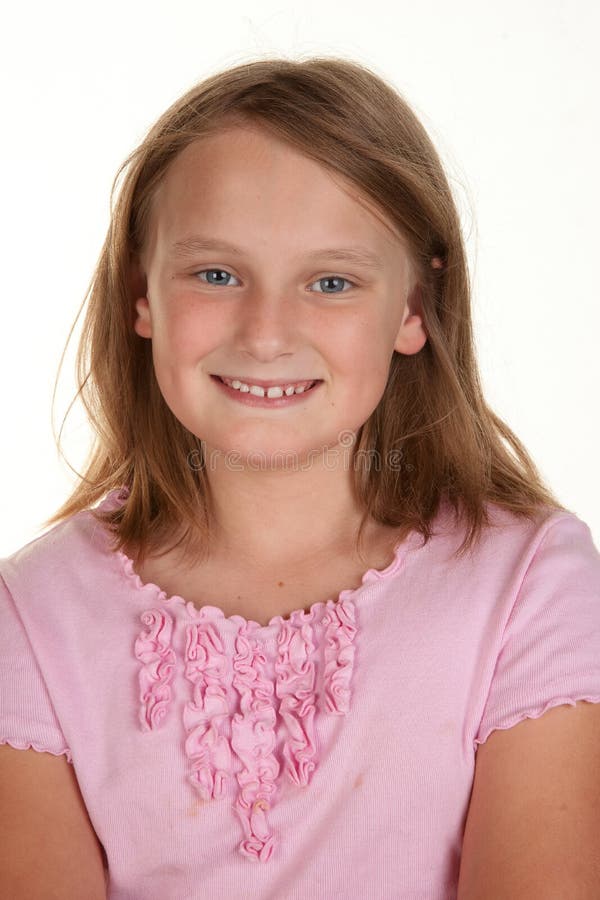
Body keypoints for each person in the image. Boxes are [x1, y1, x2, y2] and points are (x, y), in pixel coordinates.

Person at [1, 56, 599, 900]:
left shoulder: (528, 585)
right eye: (216, 274)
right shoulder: (34, 616)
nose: (268, 331)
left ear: (413, 311)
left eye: (330, 282)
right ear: (142, 294)